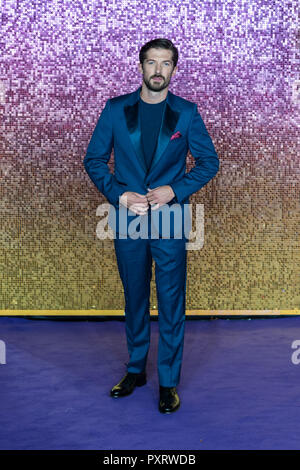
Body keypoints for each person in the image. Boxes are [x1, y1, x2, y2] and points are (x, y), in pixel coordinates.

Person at [83, 38, 219, 414]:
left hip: (170, 218)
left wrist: (174, 190)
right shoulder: (114, 110)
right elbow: (94, 160)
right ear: (140, 66)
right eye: (151, 62)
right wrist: (119, 195)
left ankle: (168, 381)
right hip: (127, 217)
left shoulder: (187, 113)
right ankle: (135, 370)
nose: (158, 70)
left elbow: (209, 162)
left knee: (172, 300)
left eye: (166, 63)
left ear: (174, 69)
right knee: (135, 297)